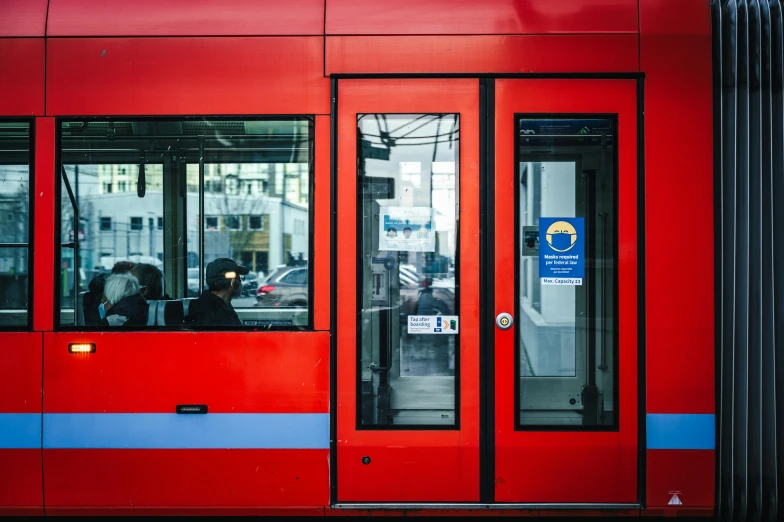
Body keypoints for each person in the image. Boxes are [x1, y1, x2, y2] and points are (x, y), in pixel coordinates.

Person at [186, 258, 249, 327]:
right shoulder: (212, 315)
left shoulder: (219, 305)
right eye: (239, 279)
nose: (240, 283)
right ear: (233, 282)